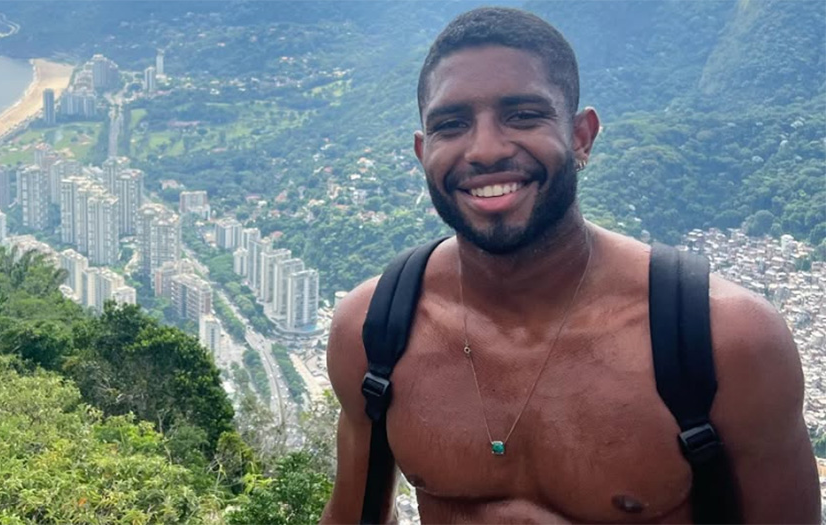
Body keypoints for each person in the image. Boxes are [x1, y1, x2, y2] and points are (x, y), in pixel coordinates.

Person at [320, 6, 820, 524]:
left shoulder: (726, 342)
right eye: (452, 125)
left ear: (581, 136)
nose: (486, 149)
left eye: (523, 115)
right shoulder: (374, 332)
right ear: (424, 152)